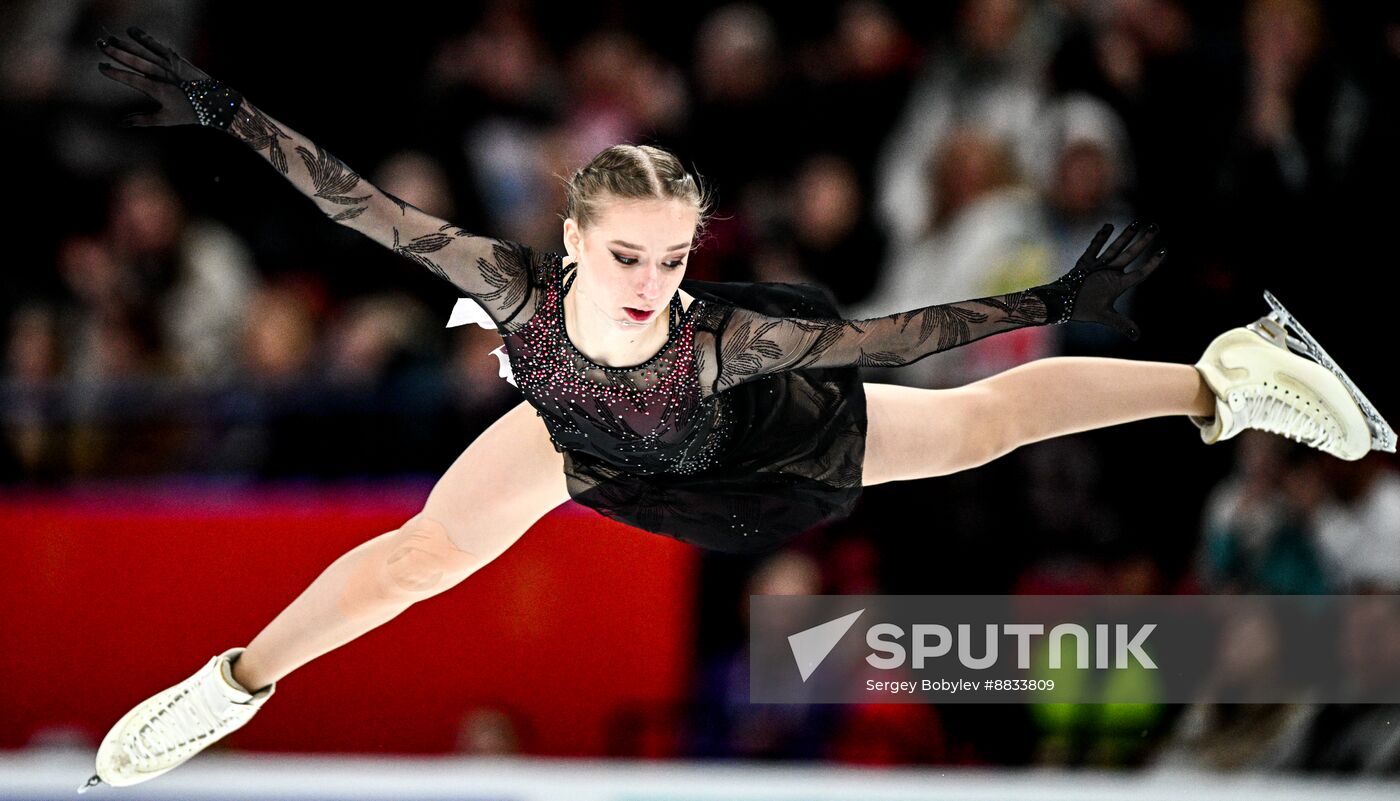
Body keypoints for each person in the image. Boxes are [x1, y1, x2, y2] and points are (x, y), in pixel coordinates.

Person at [81, 27, 1391, 792]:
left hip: (764, 438)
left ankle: (1228, 374)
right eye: (628, 255)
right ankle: (234, 679)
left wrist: (1059, 291)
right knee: (427, 551)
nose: (653, 280)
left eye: (674, 255)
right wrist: (226, 112)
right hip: (591, 444)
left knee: (980, 422)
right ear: (575, 245)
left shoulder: (723, 336)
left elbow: (904, 333)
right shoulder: (513, 284)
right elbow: (354, 202)